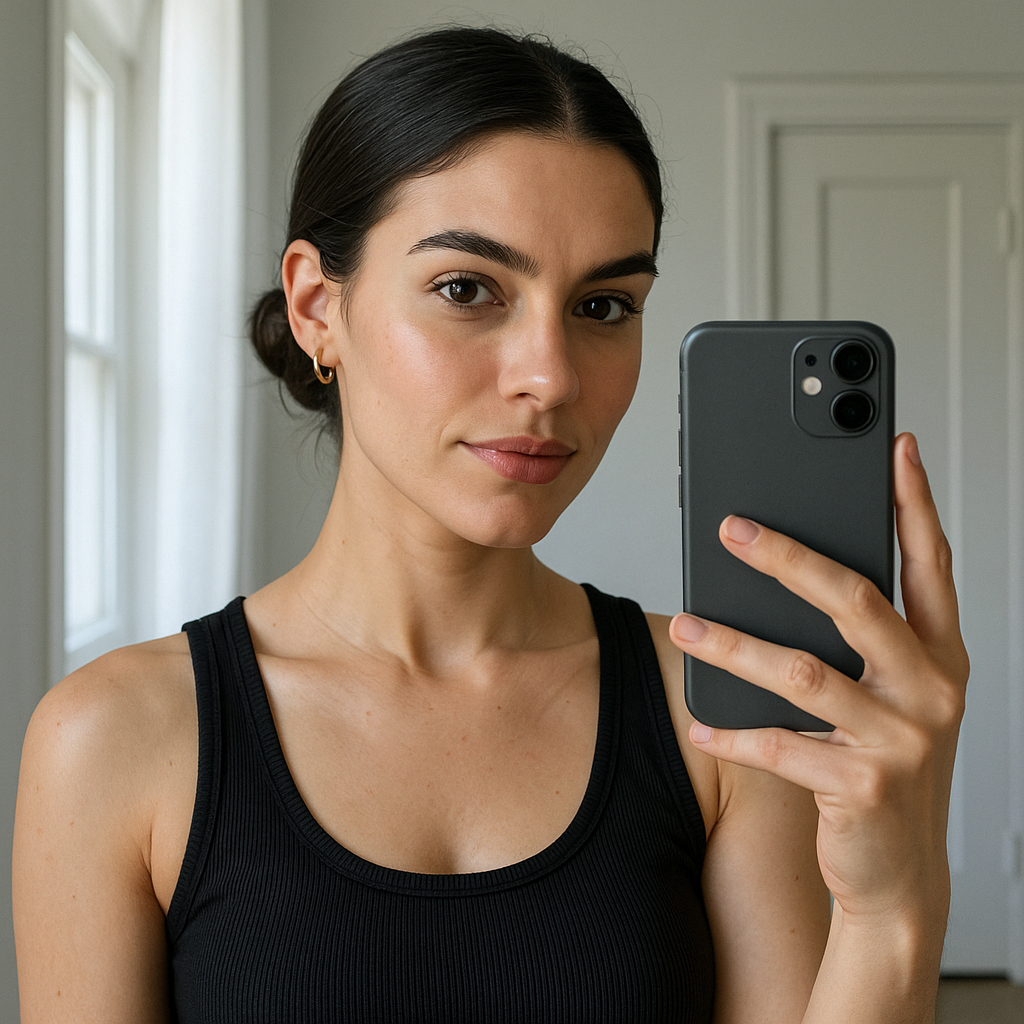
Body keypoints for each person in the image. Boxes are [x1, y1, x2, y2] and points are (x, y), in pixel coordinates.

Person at [13, 25, 967, 1024]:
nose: (550, 377)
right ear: (316, 307)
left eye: (604, 306)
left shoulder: (720, 721)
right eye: (466, 289)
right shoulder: (112, 740)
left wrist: (894, 907)